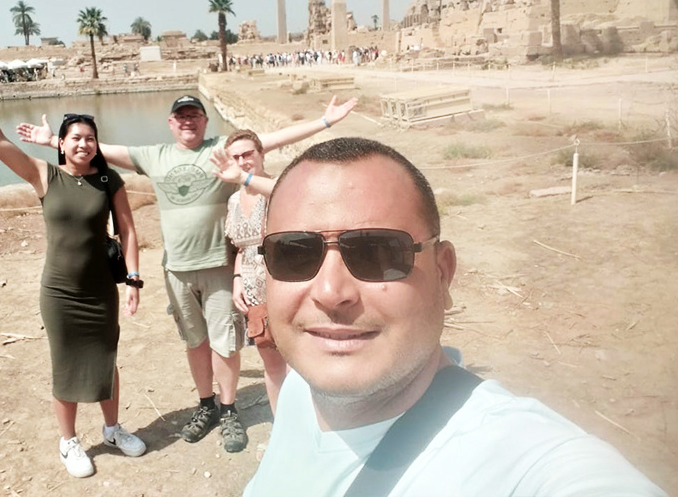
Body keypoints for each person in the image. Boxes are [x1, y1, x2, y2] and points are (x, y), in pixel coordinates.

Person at [244, 137, 665, 496]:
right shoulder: (300, 387)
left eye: (378, 253)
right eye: (294, 253)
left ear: (443, 273)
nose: (331, 292)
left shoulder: (527, 463)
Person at [16, 94, 358, 453]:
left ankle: (228, 409)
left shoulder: (219, 150)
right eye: (181, 116)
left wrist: (325, 122)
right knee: (194, 342)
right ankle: (206, 404)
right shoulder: (155, 156)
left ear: (205, 121)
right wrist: (52, 141)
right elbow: (96, 149)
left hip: (217, 265)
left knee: (224, 344)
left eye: (194, 115)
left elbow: (265, 141)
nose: (188, 121)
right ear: (171, 123)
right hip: (177, 270)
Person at [0, 67, 146, 480]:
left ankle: (112, 430)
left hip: (101, 291)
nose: (84, 144)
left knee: (106, 359)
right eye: (76, 138)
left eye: (90, 138)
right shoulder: (44, 175)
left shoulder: (109, 180)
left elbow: (129, 231)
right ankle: (69, 441)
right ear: (61, 144)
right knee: (66, 365)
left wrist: (134, 279)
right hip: (61, 292)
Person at [210, 130, 284, 413]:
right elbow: (242, 248)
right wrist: (238, 278)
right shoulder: (233, 201)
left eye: (248, 154)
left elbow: (285, 193)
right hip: (254, 292)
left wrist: (242, 177)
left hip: (284, 284)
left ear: (261, 154)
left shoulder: (277, 186)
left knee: (297, 362)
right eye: (236, 157)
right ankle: (281, 426)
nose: (243, 161)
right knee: (272, 365)